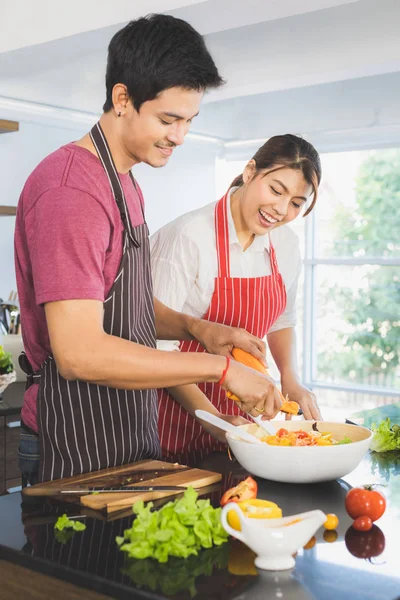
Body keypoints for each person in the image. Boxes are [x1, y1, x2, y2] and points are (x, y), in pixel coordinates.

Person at [14, 14, 282, 485]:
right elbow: (79, 352)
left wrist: (196, 328)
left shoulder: (124, 182)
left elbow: (126, 311)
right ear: (122, 99)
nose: (180, 136)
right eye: (168, 119)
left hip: (127, 437)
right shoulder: (71, 193)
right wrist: (221, 371)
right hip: (73, 442)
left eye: (189, 121)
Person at [151, 134, 323, 461]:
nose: (281, 210)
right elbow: (156, 348)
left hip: (240, 429)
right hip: (168, 424)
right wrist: (212, 418)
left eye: (297, 203)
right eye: (275, 190)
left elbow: (282, 319)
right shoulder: (189, 237)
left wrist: (291, 381)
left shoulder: (284, 244)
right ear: (249, 172)